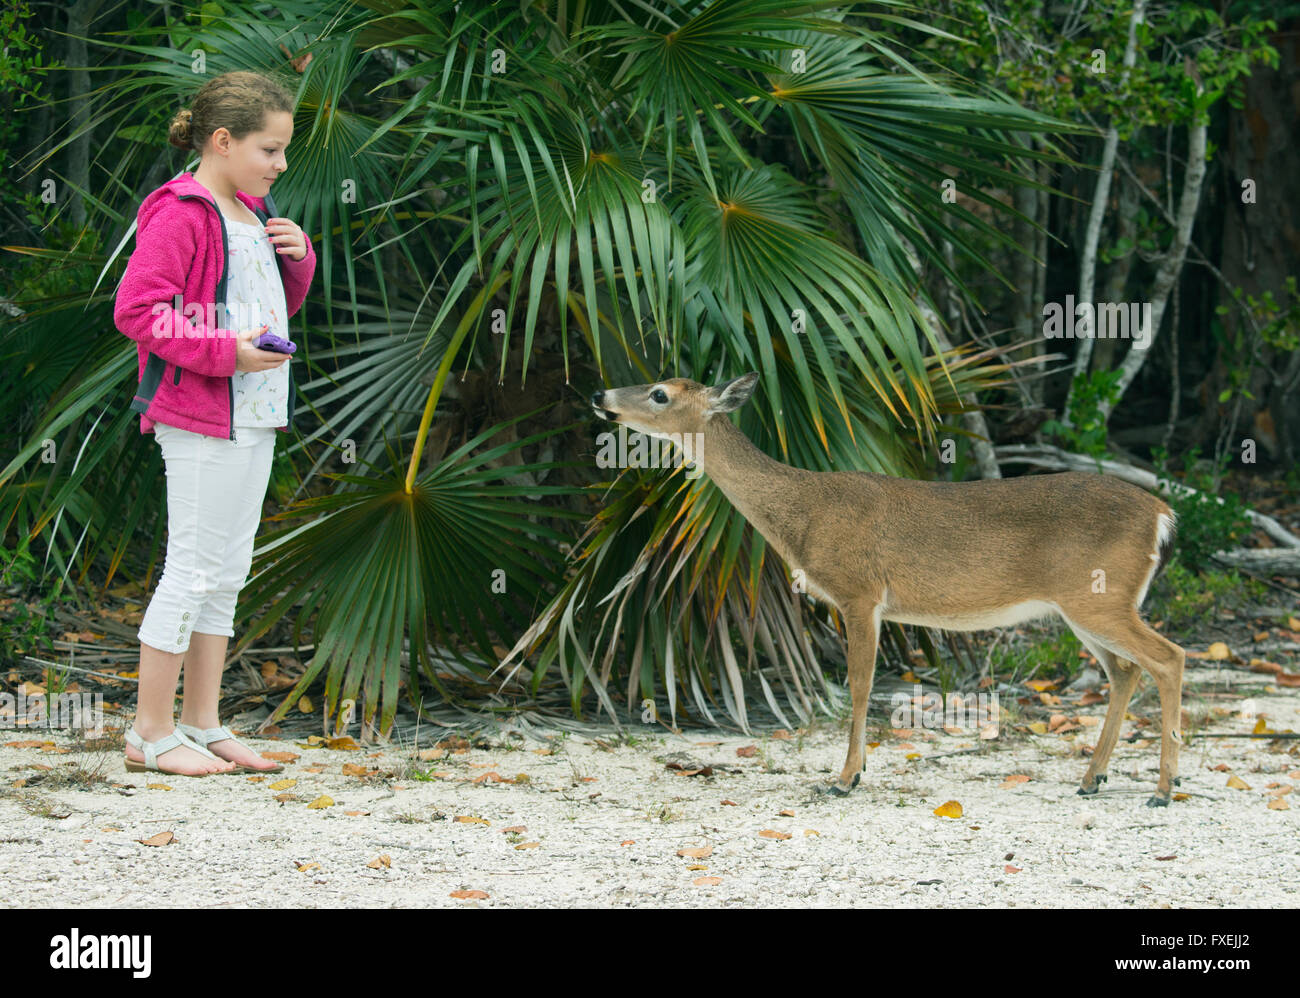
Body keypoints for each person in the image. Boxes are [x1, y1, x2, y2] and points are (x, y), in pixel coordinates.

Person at [113, 71, 316, 776]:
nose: (281, 164)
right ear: (223, 142)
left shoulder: (253, 214)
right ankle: (149, 731)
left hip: (254, 415)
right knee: (193, 570)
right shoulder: (182, 210)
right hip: (200, 416)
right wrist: (227, 354)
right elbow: (139, 311)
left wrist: (297, 260)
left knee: (226, 573)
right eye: (270, 149)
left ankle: (200, 723)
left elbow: (259, 302)